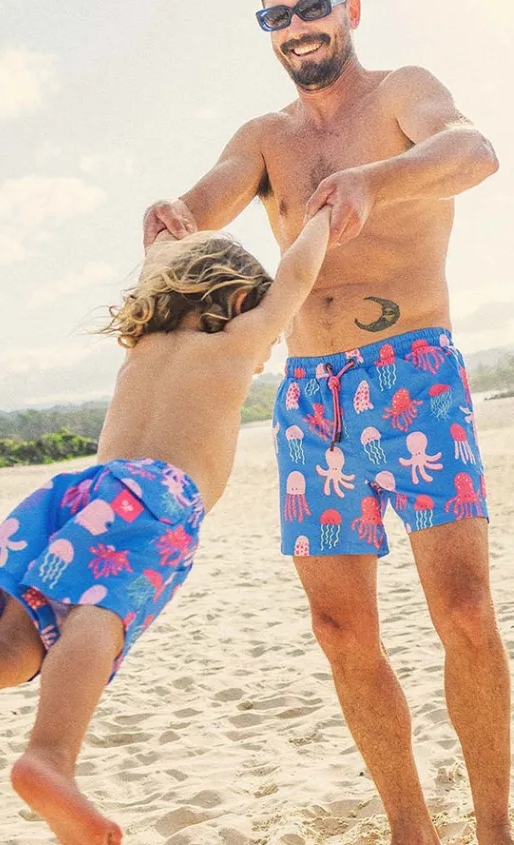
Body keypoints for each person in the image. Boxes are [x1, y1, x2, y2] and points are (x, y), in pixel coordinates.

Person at [142, 3, 507, 844]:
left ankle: (495, 827)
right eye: (277, 13)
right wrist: (174, 215)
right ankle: (410, 829)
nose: (296, 25)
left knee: (463, 610)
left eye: (312, 6)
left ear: (350, 10)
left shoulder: (402, 93)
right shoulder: (266, 137)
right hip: (313, 397)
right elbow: (206, 200)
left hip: (415, 373)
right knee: (340, 630)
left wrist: (376, 180)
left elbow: (475, 150)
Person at [0, 207, 332, 845]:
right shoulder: (237, 339)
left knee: (13, 648)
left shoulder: (143, 343)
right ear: (240, 301)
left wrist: (159, 243)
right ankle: (49, 756)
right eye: (271, 339)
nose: (267, 354)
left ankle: (39, 747)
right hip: (157, 500)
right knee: (100, 613)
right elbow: (296, 277)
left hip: (76, 495)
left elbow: (159, 270)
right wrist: (325, 212)